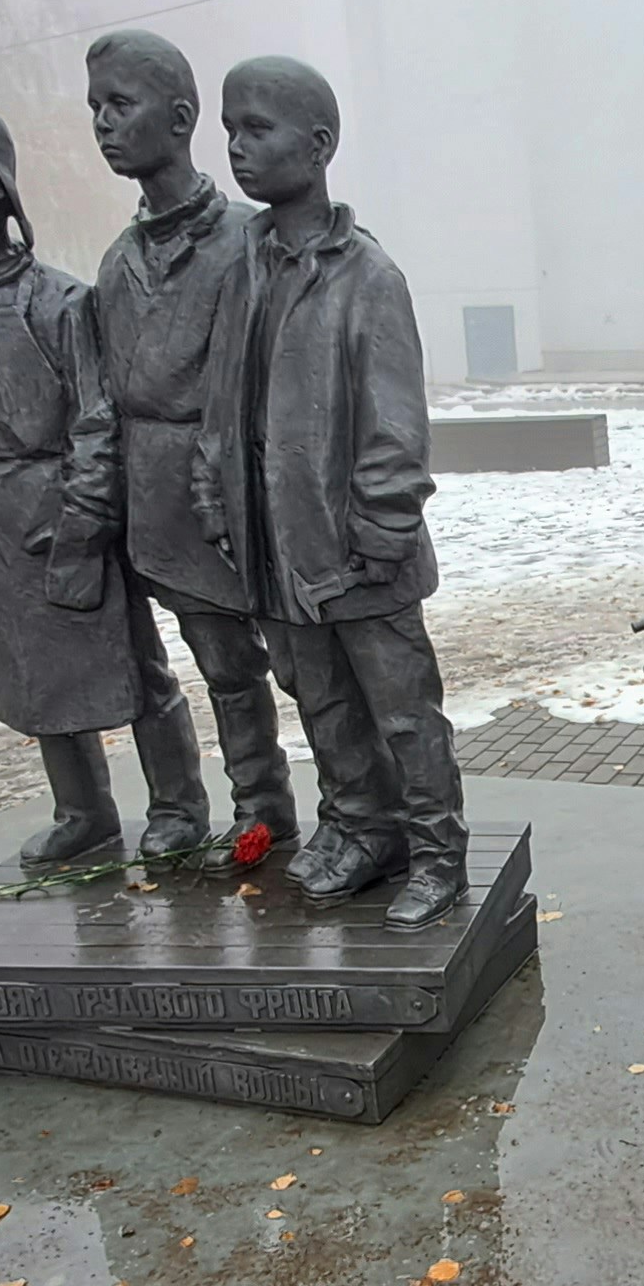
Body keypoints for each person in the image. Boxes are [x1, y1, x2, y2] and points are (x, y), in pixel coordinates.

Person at [194, 57, 471, 931]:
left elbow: (396, 429)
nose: (237, 147)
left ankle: (436, 853)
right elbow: (219, 404)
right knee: (320, 704)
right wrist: (218, 502)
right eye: (231, 128)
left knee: (403, 715)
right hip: (276, 548)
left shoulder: (368, 278)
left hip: (360, 556)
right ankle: (360, 829)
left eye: (258, 129)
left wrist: (378, 539)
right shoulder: (243, 269)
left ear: (317, 147)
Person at [0, 97, 201, 870]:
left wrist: (80, 519)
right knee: (29, 677)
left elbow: (100, 422)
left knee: (132, 666)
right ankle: (83, 811)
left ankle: (177, 804)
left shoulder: (62, 305)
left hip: (62, 515)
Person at [82, 30, 295, 873]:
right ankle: (242, 808)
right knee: (213, 667)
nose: (103, 125)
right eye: (95, 109)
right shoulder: (117, 260)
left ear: (179, 119)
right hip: (154, 494)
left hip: (243, 488)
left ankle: (344, 814)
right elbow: (102, 392)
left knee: (296, 668)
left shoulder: (248, 237)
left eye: (119, 105)